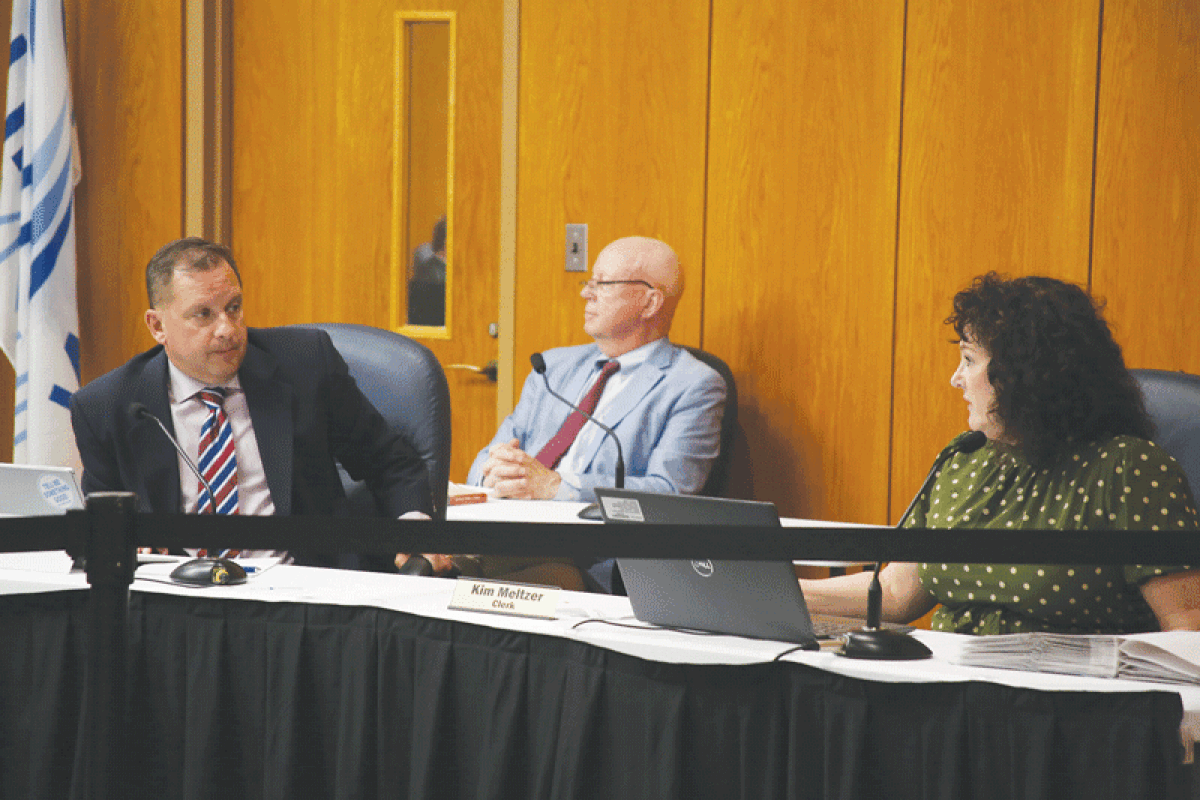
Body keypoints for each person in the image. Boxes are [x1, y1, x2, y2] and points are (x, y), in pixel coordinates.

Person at [801, 273, 1200, 634]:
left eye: (969, 360)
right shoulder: (964, 460)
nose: (956, 379)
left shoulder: (1128, 469)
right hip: (948, 679)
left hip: (1067, 689)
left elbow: (1186, 623)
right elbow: (893, 592)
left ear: (1024, 373)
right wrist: (782, 591)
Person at [70, 237, 434, 567]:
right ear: (157, 326)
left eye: (233, 307)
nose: (227, 329)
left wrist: (414, 528)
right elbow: (104, 522)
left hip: (300, 590)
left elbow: (391, 461)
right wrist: (123, 542)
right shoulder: (108, 407)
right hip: (179, 596)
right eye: (203, 314)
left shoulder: (306, 366)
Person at [400, 236, 727, 589]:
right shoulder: (552, 367)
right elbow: (490, 456)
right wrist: (493, 473)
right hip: (504, 527)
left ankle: (449, 569)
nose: (586, 293)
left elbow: (669, 494)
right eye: (589, 282)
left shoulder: (693, 385)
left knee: (444, 577)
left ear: (650, 302)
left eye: (603, 284)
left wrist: (557, 487)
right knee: (413, 549)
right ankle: (444, 567)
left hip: (586, 554)